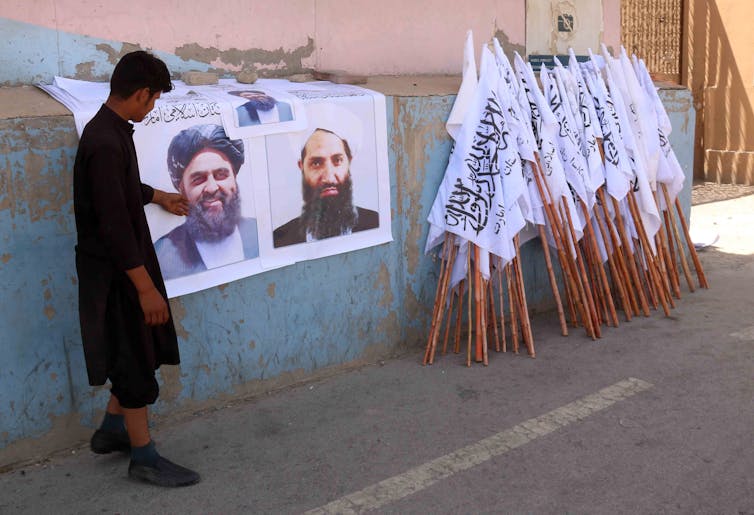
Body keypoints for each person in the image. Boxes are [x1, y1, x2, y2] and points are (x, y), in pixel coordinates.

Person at [73, 51, 200, 487]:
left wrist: (158, 196)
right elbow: (113, 226)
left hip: (123, 266)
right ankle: (143, 456)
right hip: (116, 274)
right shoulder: (104, 142)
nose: (152, 109)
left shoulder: (112, 130)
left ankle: (112, 430)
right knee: (132, 357)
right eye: (153, 101)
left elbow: (119, 190)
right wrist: (146, 289)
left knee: (135, 346)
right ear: (143, 94)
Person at [154, 124, 259, 279]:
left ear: (234, 177)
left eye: (221, 175)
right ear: (181, 188)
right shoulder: (162, 255)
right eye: (198, 179)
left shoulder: (259, 233)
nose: (211, 187)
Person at [273, 128, 379, 248]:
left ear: (349, 163)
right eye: (316, 163)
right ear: (302, 167)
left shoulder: (376, 224)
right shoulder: (280, 241)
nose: (329, 178)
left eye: (337, 160)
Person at [228, 90, 293, 126]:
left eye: (258, 94)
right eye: (247, 95)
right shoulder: (240, 111)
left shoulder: (284, 105)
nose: (255, 96)